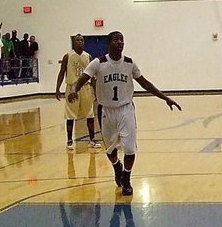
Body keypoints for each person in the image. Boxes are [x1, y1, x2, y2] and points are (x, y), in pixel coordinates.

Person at [68, 31, 181, 196]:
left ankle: (126, 177)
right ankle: (116, 167)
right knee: (110, 150)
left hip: (126, 109)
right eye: (115, 40)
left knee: (129, 148)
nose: (119, 42)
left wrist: (165, 98)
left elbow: (145, 83)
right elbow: (83, 78)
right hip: (106, 110)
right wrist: (75, 89)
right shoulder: (98, 63)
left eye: (121, 40)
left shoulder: (129, 63)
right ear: (109, 43)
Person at [56, 34, 101, 151]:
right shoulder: (68, 56)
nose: (80, 42)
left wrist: (96, 91)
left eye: (82, 40)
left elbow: (93, 76)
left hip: (86, 88)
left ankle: (92, 140)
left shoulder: (88, 56)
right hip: (71, 88)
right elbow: (61, 72)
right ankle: (69, 141)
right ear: (73, 42)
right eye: (77, 40)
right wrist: (57, 89)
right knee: (70, 115)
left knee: (90, 114)